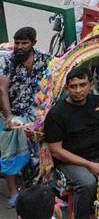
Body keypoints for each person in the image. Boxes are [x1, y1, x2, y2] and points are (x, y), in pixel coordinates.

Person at [44, 67, 99, 219]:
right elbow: (56, 150)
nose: (78, 90)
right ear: (67, 88)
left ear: (91, 85)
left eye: (82, 85)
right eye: (73, 86)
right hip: (70, 160)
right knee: (88, 183)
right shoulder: (57, 114)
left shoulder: (98, 102)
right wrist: (88, 164)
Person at [0, 28, 51, 206]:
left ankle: (40, 188)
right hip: (9, 112)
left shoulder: (45, 58)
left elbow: (54, 79)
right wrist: (8, 115)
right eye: (17, 43)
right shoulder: (6, 60)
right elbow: (2, 90)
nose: (19, 47)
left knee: (42, 150)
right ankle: (13, 192)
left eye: (24, 43)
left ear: (34, 43)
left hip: (35, 111)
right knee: (9, 153)